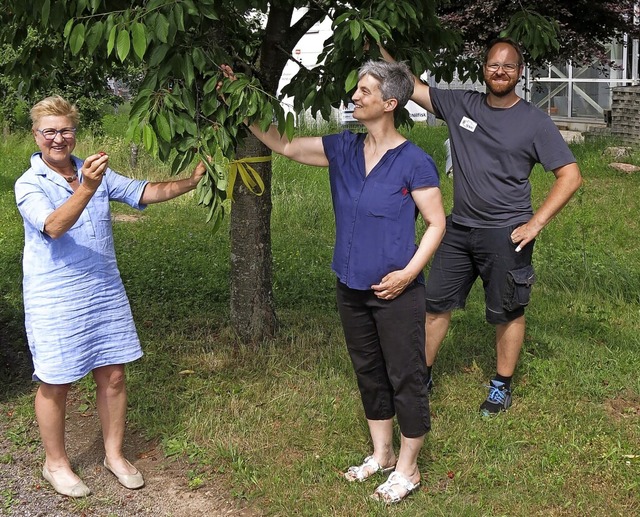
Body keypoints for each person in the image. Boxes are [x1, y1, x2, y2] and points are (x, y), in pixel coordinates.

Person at [221, 61, 446, 503]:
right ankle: (382, 455)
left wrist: (407, 275)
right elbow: (284, 144)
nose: (355, 96)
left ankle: (409, 468)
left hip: (396, 289)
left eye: (365, 91)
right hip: (351, 284)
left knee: (406, 376)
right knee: (368, 370)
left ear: (390, 103)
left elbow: (436, 224)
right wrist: (242, 102)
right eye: (357, 89)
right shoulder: (342, 148)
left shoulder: (415, 161)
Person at [14, 95, 206, 497]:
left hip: (102, 289)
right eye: (49, 131)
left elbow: (142, 191)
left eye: (65, 129)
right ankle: (56, 463)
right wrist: (87, 187)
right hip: (55, 295)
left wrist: (190, 182)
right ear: (36, 135)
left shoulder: (91, 170)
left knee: (114, 374)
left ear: (74, 132)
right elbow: (52, 226)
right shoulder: (30, 183)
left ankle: (113, 455)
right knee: (56, 380)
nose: (58, 138)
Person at [380, 38, 583, 415]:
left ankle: (500, 387)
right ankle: (420, 377)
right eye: (493, 65)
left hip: (507, 233)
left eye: (508, 66)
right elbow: (410, 85)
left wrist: (536, 223)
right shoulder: (462, 105)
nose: (500, 71)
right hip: (459, 229)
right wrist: (377, 46)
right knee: (435, 305)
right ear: (483, 69)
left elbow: (570, 176)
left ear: (519, 73)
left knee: (507, 311)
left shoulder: (534, 122)